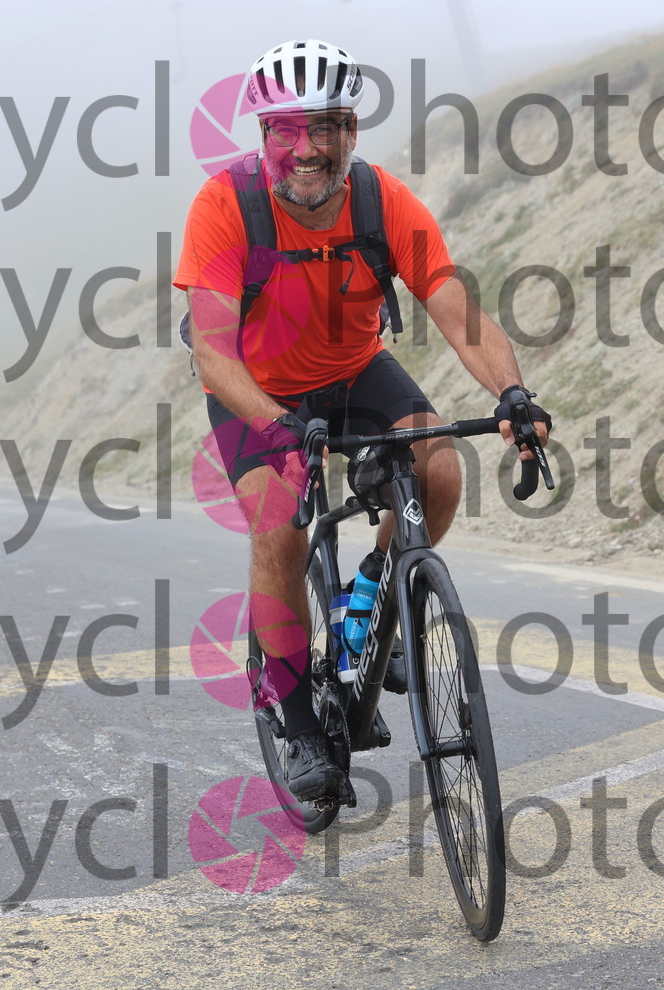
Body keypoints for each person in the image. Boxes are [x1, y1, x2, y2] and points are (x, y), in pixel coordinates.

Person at [175, 39, 550, 804]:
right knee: (280, 527)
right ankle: (297, 719)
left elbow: (456, 309)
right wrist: (278, 424)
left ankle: (371, 593)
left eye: (324, 127)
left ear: (350, 130)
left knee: (438, 465)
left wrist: (514, 394)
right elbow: (213, 351)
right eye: (285, 130)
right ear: (263, 135)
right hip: (256, 389)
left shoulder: (381, 201)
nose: (305, 149)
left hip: (352, 370)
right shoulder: (224, 207)